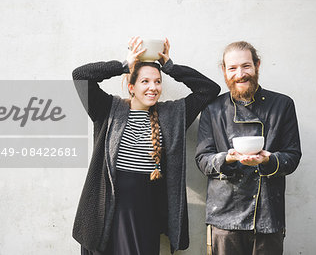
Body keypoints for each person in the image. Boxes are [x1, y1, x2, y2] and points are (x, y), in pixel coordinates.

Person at [72, 36, 220, 255]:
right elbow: (80, 76)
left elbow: (208, 89)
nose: (153, 87)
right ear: (131, 87)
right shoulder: (107, 109)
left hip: (146, 213)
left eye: (157, 81)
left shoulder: (172, 115)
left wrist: (170, 67)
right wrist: (124, 65)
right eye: (145, 81)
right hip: (106, 213)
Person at [195, 41, 302, 255]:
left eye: (246, 66)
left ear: (257, 66)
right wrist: (227, 158)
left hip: (268, 216)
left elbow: (292, 156)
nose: (240, 74)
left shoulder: (282, 105)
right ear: (224, 71)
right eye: (232, 68)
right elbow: (202, 159)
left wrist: (268, 160)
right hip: (224, 219)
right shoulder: (212, 109)